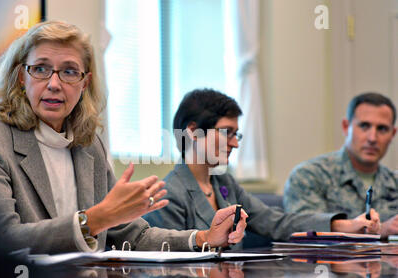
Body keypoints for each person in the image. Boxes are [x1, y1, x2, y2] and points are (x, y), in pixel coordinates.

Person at [0, 21, 246, 255]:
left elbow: (132, 234)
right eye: (41, 69)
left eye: (69, 72)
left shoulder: (88, 146)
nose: (55, 84)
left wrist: (204, 237)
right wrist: (94, 221)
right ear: (23, 77)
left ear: (84, 83)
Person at [143, 89, 380, 249]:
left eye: (237, 134)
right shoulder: (168, 193)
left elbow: (275, 222)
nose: (235, 143)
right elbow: (169, 266)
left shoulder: (224, 183)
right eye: (227, 133)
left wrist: (343, 225)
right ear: (193, 132)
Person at [284, 92, 397, 238]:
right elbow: (306, 233)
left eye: (382, 129)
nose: (372, 138)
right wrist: (380, 231)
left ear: (393, 134)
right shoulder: (309, 176)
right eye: (364, 126)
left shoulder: (395, 183)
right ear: (346, 127)